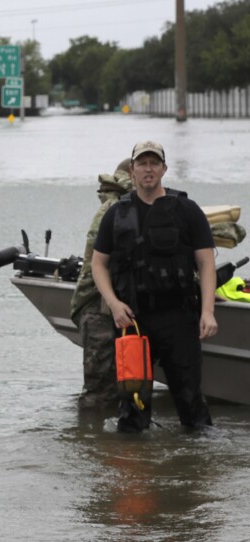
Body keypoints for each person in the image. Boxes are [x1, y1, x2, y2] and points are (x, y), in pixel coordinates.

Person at [91, 141, 217, 433]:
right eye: (142, 163)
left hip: (179, 317)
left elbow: (206, 263)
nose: (148, 169)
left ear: (164, 169)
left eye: (154, 163)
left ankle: (197, 470)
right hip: (133, 320)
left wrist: (207, 312)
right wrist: (113, 303)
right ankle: (135, 470)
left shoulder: (187, 210)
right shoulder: (116, 214)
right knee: (132, 404)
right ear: (132, 171)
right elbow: (98, 265)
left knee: (191, 403)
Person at [70, 158, 134, 408]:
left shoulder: (126, 207)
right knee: (99, 392)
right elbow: (96, 264)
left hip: (113, 308)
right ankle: (93, 440)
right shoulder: (113, 209)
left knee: (124, 385)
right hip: (99, 309)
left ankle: (104, 442)